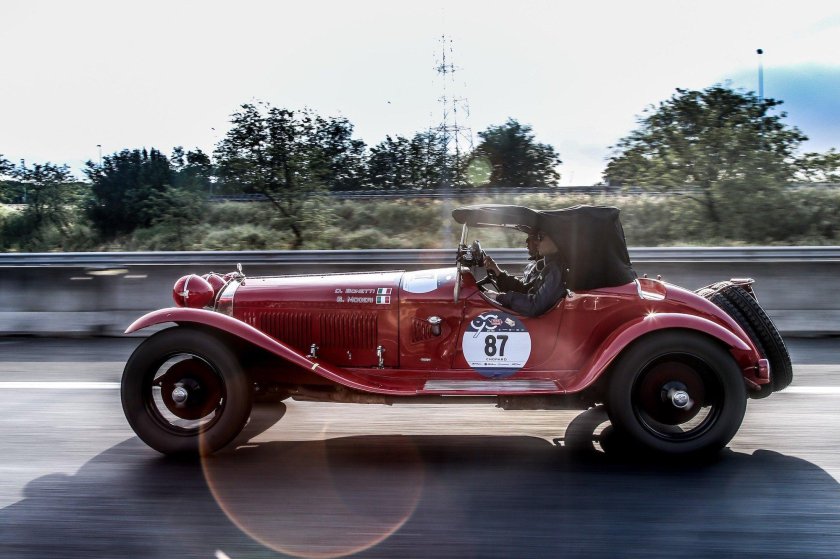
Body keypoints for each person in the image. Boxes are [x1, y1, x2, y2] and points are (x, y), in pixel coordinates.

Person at [489, 229, 568, 317]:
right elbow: (526, 290)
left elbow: (534, 306)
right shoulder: (549, 267)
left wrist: (499, 297)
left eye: (540, 237)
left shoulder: (555, 270)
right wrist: (499, 275)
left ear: (556, 239)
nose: (535, 241)